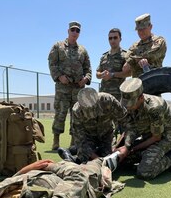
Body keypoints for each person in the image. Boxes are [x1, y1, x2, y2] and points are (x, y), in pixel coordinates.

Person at [112, 78, 171, 180]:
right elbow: (130, 128)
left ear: (141, 98)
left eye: (131, 104)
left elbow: (156, 138)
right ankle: (146, 155)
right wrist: (122, 147)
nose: (128, 107)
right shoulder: (130, 106)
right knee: (120, 161)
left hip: (164, 138)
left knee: (145, 172)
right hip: (147, 137)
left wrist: (131, 149)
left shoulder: (155, 108)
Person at [48, 21, 92, 150]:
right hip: (63, 88)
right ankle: (56, 141)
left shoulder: (83, 50)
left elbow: (88, 68)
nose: (75, 32)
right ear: (68, 31)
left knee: (77, 115)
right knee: (60, 114)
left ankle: (73, 142)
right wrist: (59, 77)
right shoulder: (58, 46)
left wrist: (86, 79)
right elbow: (52, 63)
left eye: (77, 30)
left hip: (78, 89)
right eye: (73, 30)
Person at [58, 87, 127, 164]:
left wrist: (122, 144)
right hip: (89, 137)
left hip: (106, 135)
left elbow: (124, 119)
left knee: (109, 156)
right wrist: (97, 159)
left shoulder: (108, 100)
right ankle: (72, 152)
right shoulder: (77, 111)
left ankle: (74, 150)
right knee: (84, 159)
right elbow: (81, 139)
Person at [96, 28, 131, 101]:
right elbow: (97, 74)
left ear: (120, 39)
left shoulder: (126, 55)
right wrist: (102, 74)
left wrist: (112, 75)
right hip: (103, 96)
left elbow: (129, 73)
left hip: (118, 96)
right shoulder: (104, 56)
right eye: (110, 38)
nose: (112, 40)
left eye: (115, 38)